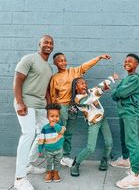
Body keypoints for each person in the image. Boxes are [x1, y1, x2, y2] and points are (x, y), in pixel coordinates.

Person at [50, 53, 111, 167]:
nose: (63, 62)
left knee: (69, 134)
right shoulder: (54, 78)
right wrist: (53, 112)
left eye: (64, 60)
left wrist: (99, 58)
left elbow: (85, 66)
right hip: (62, 107)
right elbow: (53, 97)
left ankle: (66, 157)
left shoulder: (73, 71)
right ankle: (55, 159)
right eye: (60, 61)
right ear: (55, 63)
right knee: (59, 133)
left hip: (73, 107)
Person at [13, 35, 54, 190]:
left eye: (51, 43)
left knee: (44, 133)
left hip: (40, 105)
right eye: (46, 42)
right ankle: (19, 178)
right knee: (28, 134)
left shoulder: (49, 68)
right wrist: (19, 102)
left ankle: (29, 164)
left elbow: (46, 91)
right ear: (39, 44)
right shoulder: (29, 59)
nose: (48, 45)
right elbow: (17, 79)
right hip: (26, 103)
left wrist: (49, 108)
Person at [70, 74, 118, 176]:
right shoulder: (78, 99)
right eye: (81, 83)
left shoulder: (91, 92)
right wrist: (102, 90)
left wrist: (111, 78)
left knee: (109, 143)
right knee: (90, 148)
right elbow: (91, 99)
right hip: (93, 123)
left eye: (85, 83)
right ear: (75, 87)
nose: (85, 85)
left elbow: (99, 86)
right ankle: (76, 163)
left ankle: (104, 159)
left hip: (103, 119)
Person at [110, 53, 139, 189]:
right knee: (124, 138)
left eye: (130, 61)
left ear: (136, 65)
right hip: (123, 112)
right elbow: (117, 93)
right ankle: (125, 159)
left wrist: (117, 92)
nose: (127, 63)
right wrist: (117, 92)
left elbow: (119, 93)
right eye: (125, 61)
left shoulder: (134, 79)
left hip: (129, 113)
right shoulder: (127, 78)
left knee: (132, 142)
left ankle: (135, 176)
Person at [38, 103, 65, 183]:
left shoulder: (60, 126)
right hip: (48, 150)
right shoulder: (45, 128)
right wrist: (40, 149)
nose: (54, 119)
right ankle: (49, 173)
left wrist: (55, 125)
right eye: (52, 116)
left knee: (57, 162)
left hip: (59, 149)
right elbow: (41, 139)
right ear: (47, 117)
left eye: (57, 116)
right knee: (49, 162)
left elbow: (61, 131)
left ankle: (56, 173)